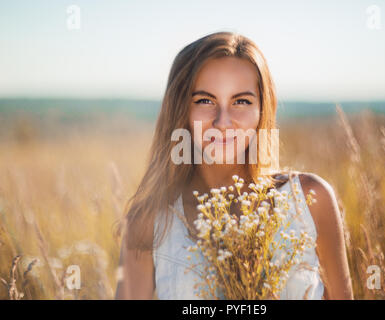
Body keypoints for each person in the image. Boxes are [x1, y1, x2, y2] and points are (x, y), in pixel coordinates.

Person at [114, 31, 353, 300]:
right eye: (205, 100)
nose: (223, 122)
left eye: (241, 101)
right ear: (180, 108)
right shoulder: (149, 222)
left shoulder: (309, 199)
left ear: (263, 108)